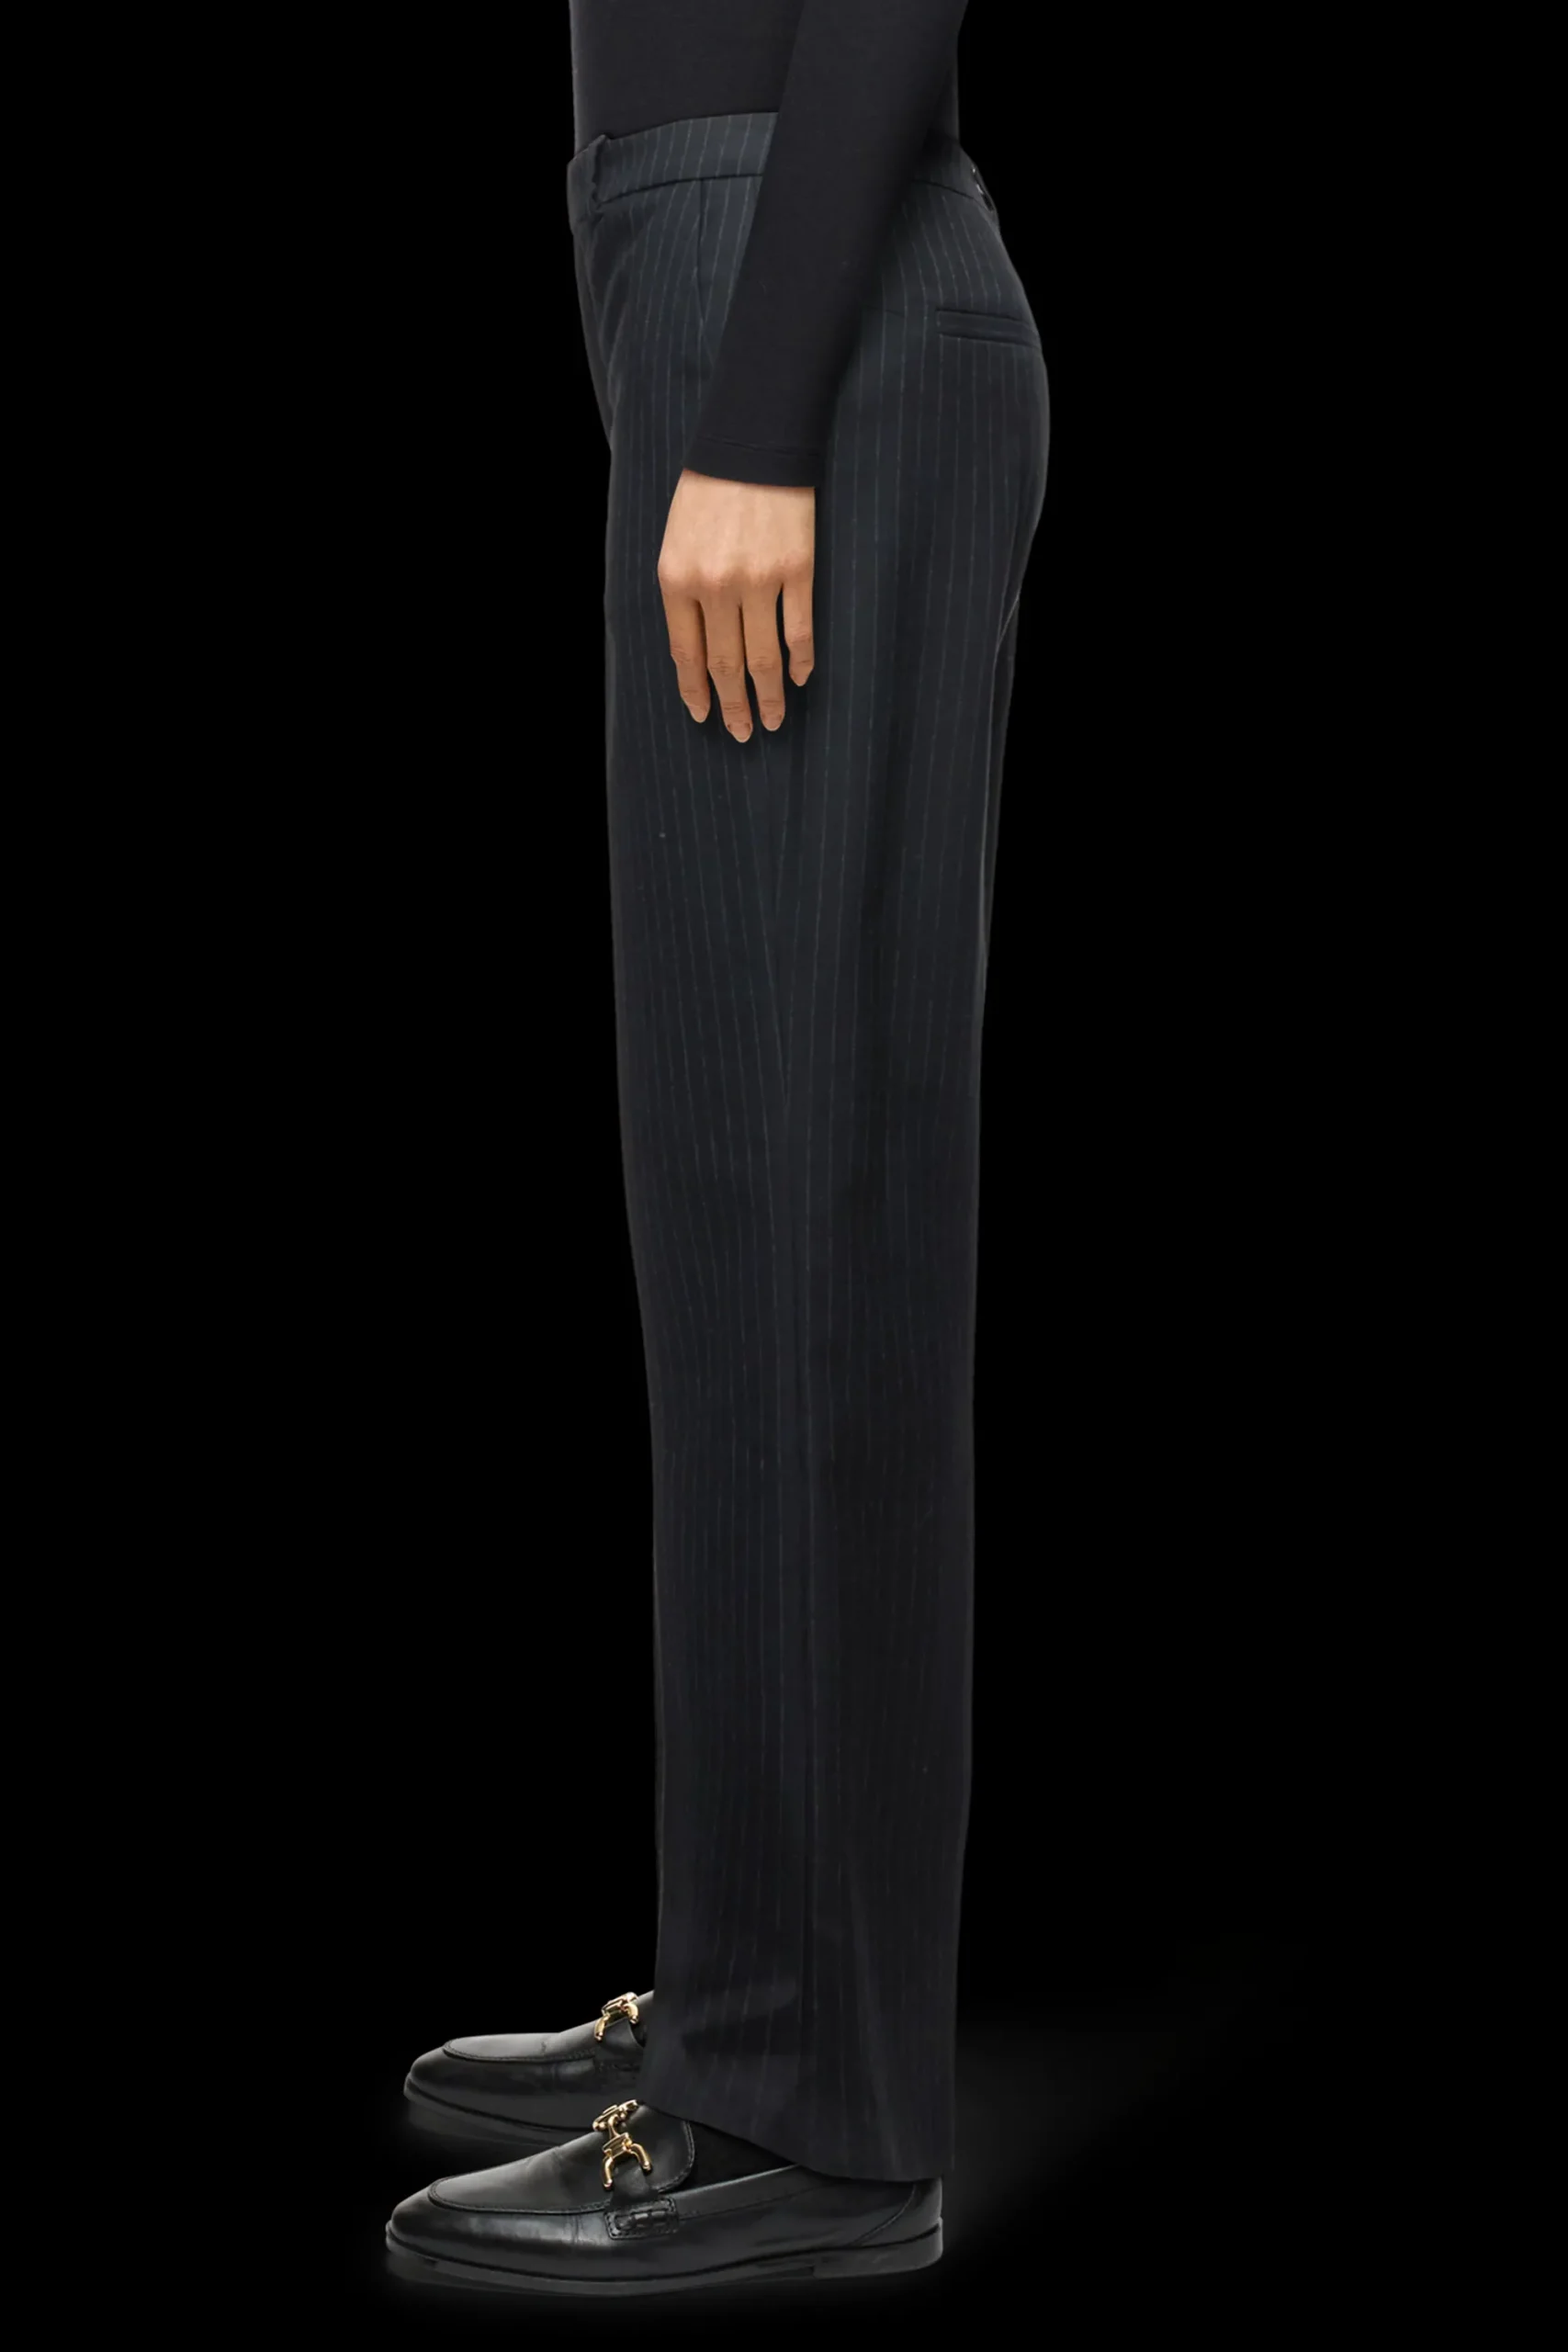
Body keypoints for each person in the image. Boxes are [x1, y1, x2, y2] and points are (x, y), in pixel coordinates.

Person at [385, 2, 1048, 2296]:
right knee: (766, 1201)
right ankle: (766, 1986)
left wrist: (757, 405)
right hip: (753, 271)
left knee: (789, 1215)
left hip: (800, 298)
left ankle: (796, 2099)